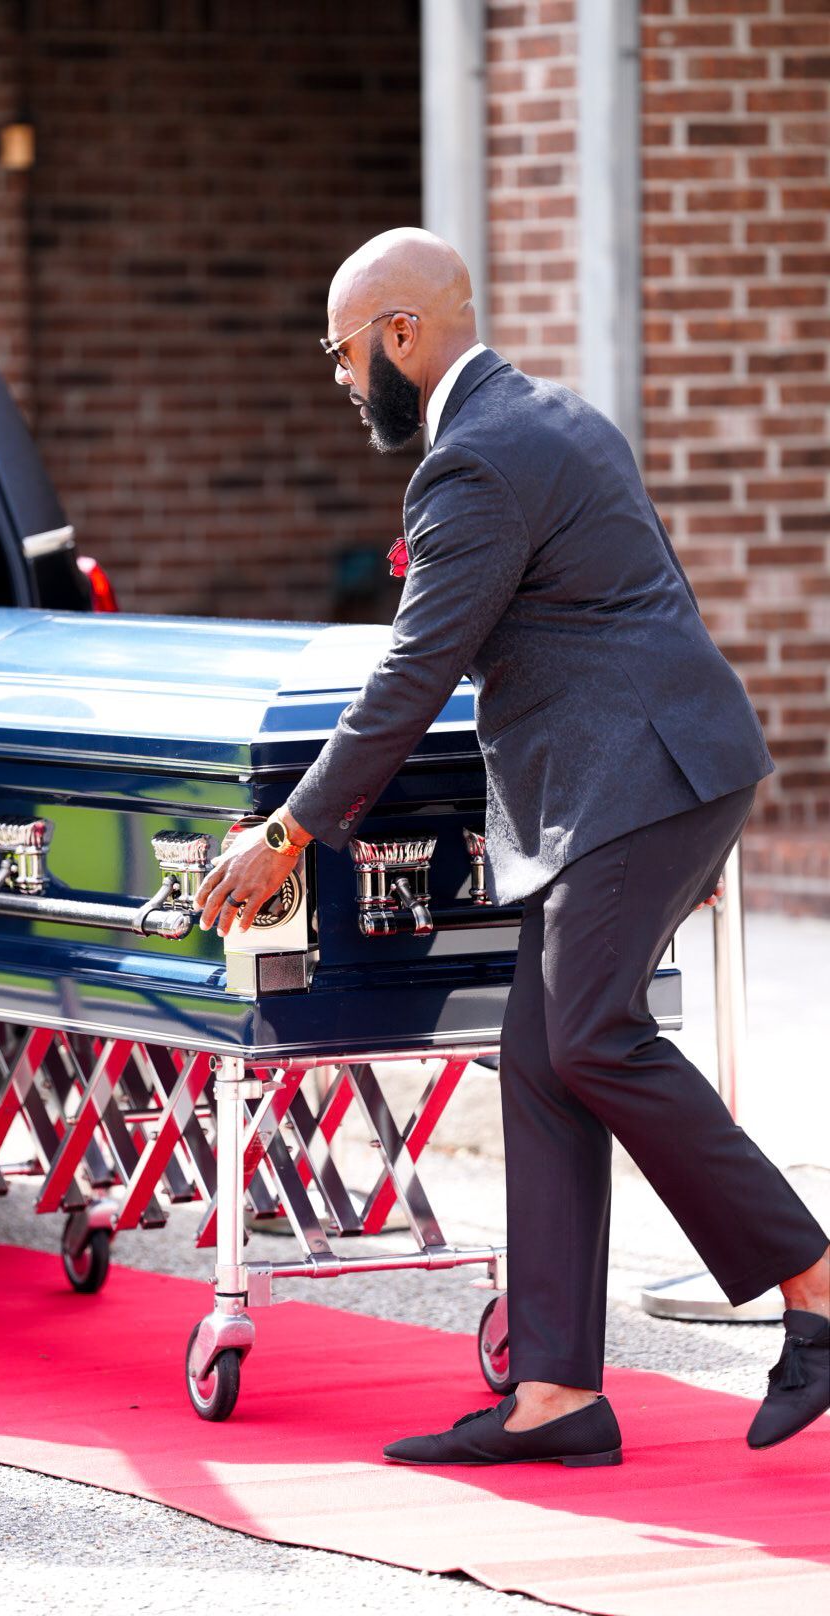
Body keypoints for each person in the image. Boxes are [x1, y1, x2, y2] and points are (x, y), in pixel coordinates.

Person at [197, 227, 829, 1466]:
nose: (336, 379)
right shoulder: (555, 416)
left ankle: (813, 1283)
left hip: (632, 778)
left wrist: (286, 831)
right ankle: (555, 1394)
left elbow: (411, 675)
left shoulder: (475, 462)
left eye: (339, 352)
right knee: (542, 1055)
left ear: (400, 334)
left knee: (593, 1031)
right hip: (648, 768)